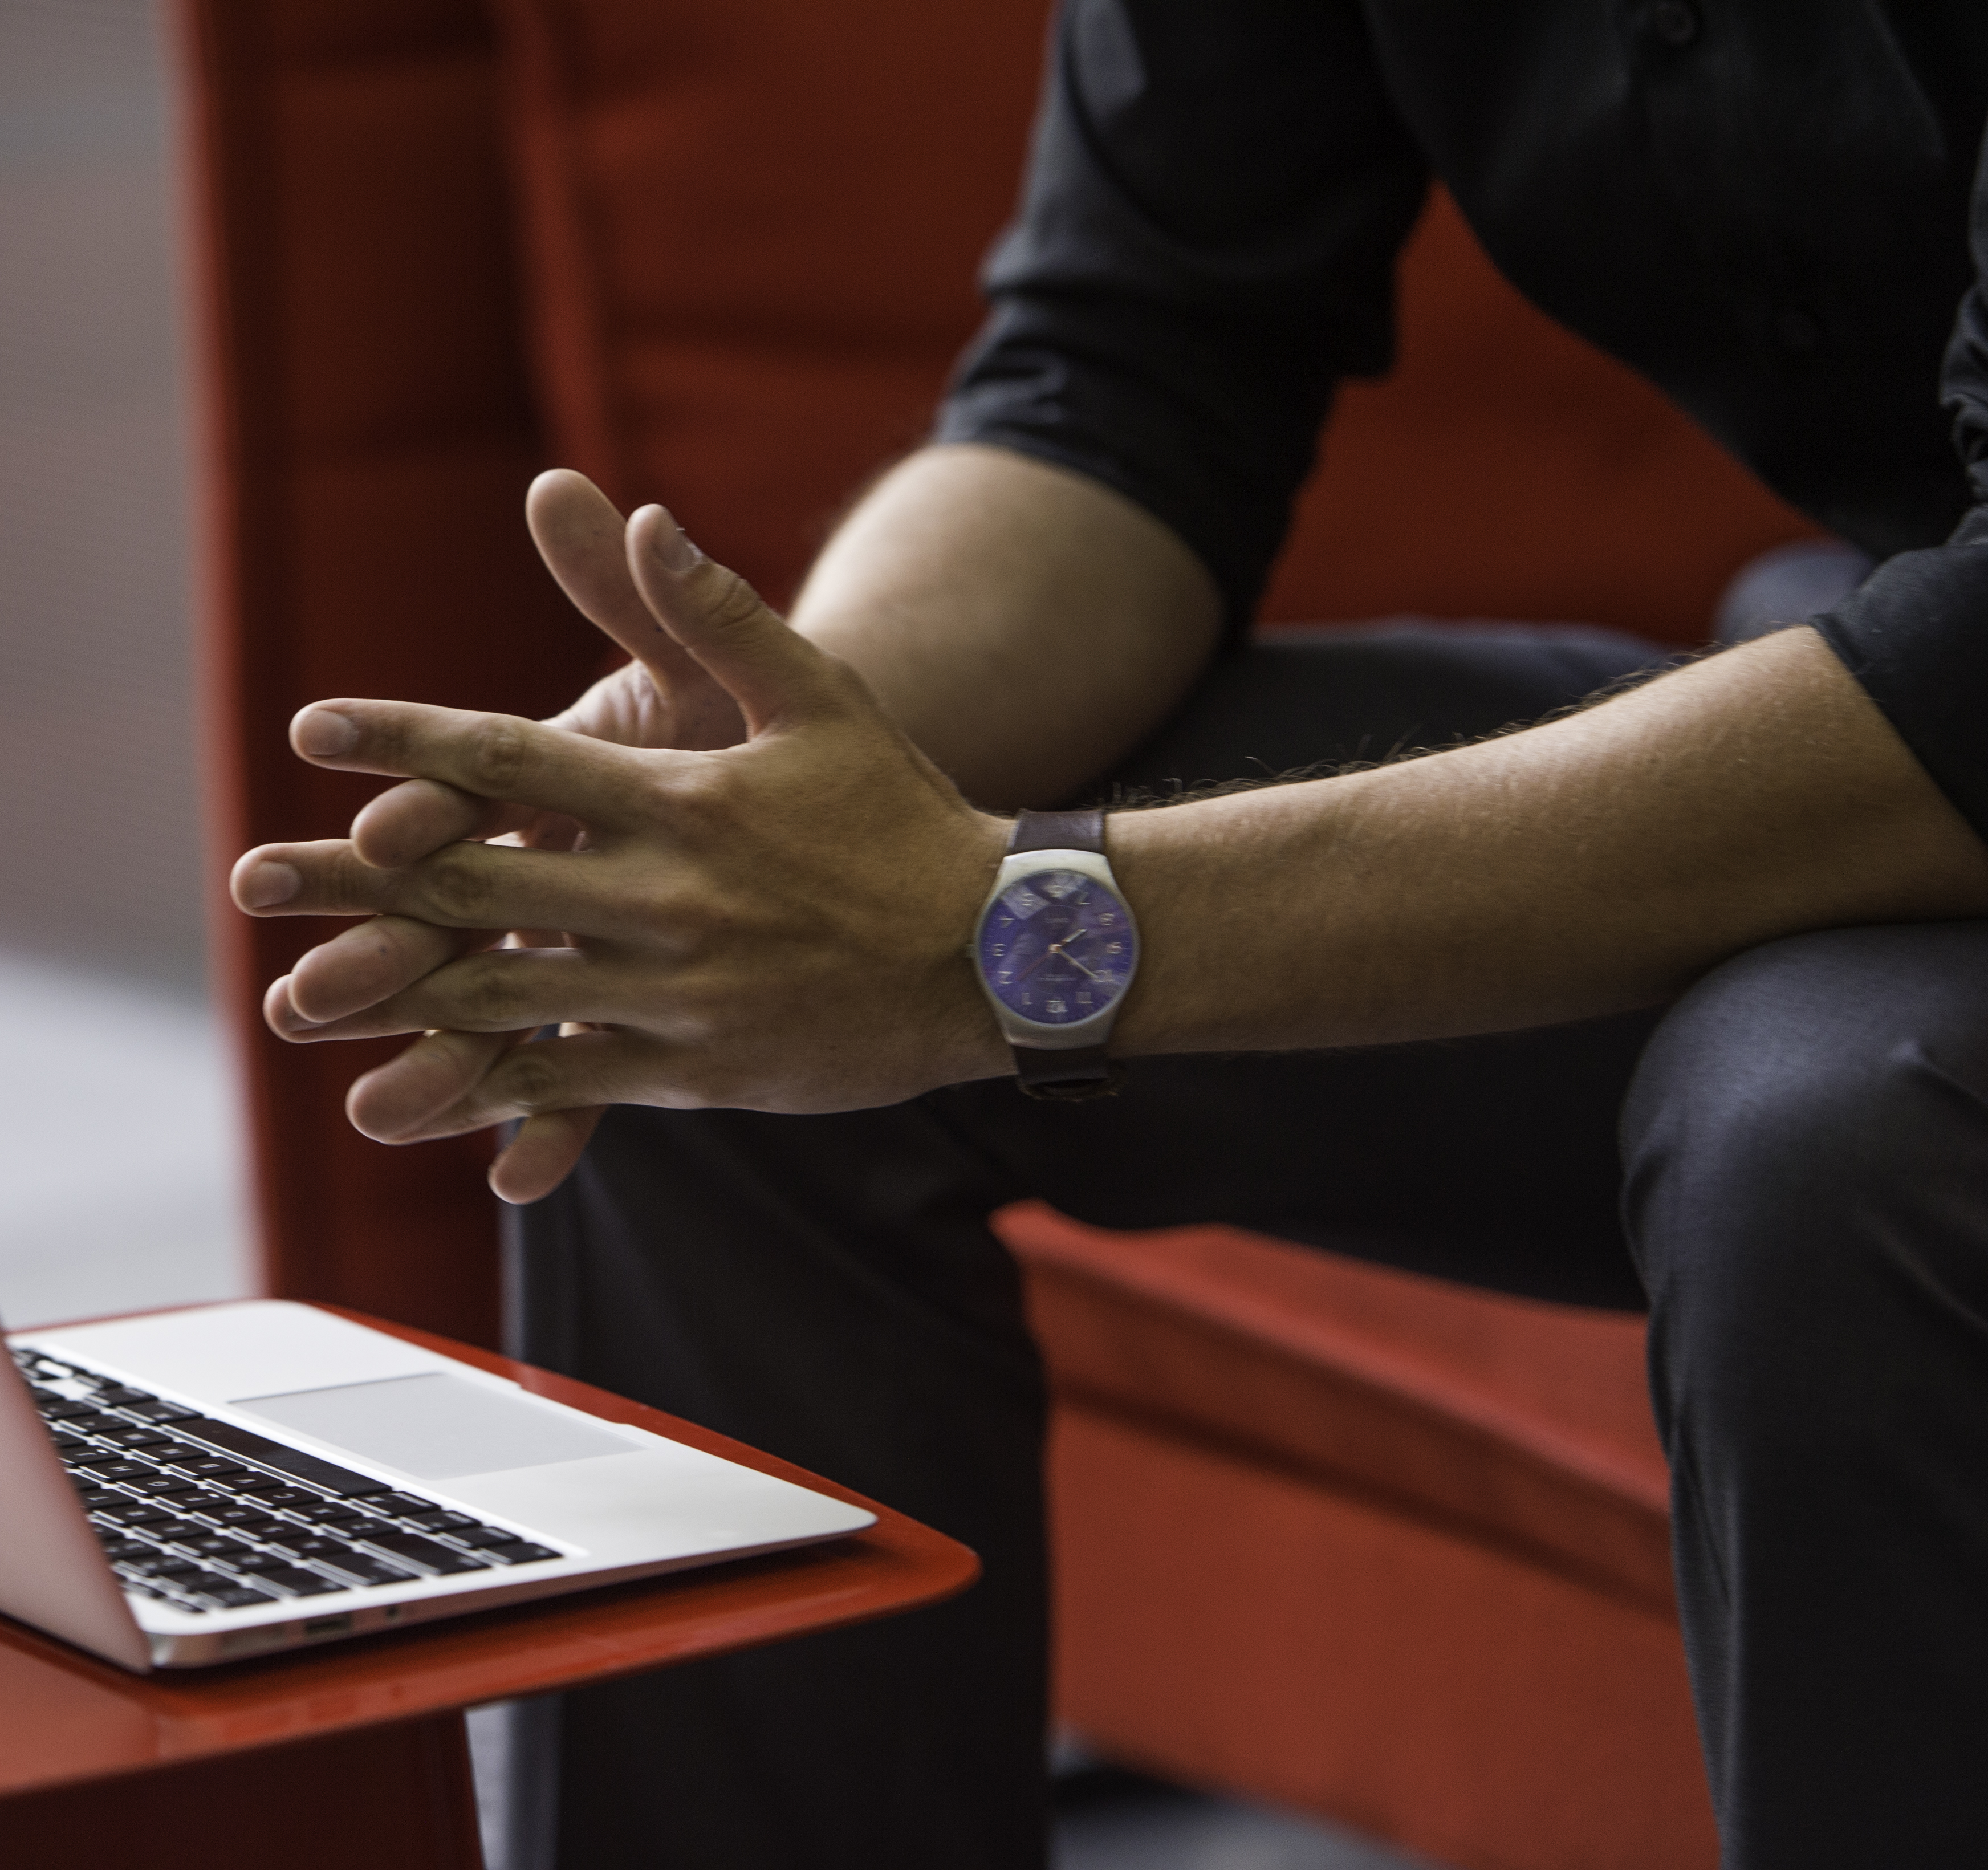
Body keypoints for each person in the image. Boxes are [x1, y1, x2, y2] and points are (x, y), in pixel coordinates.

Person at [232, 9, 1988, 1868]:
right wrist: (764, 807)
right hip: (1880, 652)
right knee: (699, 985)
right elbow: (1129, 376)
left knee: (1825, 1127)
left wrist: (1003, 935)